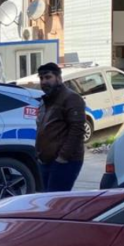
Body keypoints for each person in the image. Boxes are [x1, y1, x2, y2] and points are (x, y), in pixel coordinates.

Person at [35, 62, 86, 192]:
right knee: (48, 199)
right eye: (41, 78)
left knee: (55, 200)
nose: (44, 81)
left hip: (65, 162)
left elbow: (77, 130)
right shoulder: (45, 100)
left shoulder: (71, 98)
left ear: (58, 78)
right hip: (46, 161)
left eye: (48, 77)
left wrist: (63, 157)